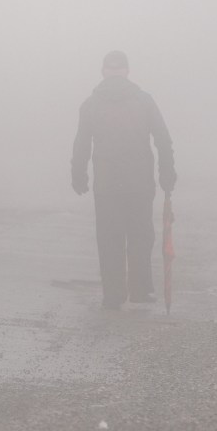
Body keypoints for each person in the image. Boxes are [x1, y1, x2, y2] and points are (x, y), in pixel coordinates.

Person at [71, 51, 176, 310]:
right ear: (127, 71)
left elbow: (82, 143)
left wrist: (78, 174)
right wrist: (167, 171)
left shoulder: (91, 104)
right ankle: (140, 290)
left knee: (109, 237)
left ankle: (113, 294)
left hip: (106, 184)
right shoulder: (144, 101)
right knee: (140, 235)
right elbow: (162, 138)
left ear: (103, 71)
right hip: (139, 181)